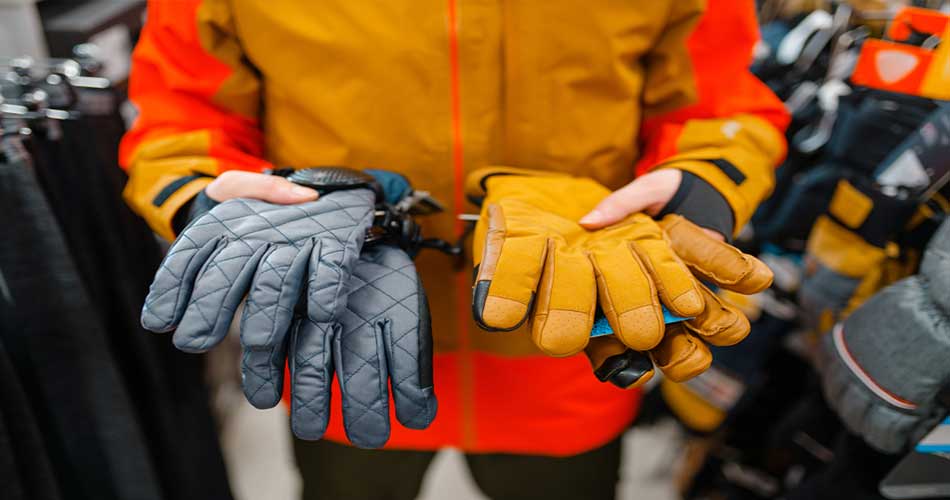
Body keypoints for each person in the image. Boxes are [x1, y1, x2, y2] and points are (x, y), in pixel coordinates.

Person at [120, 1, 789, 498]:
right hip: (344, 340)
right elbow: (180, 116)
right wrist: (216, 205)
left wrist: (698, 184)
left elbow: (718, 104)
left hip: (569, 338)